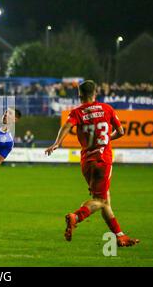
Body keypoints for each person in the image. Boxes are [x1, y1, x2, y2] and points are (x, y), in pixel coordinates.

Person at [45, 80, 139, 247]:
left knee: (104, 199)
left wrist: (57, 143)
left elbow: (67, 126)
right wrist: (107, 138)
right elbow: (121, 131)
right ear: (95, 93)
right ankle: (76, 216)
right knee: (100, 200)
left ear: (79, 95)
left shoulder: (77, 112)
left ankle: (119, 236)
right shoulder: (107, 109)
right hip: (103, 160)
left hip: (87, 161)